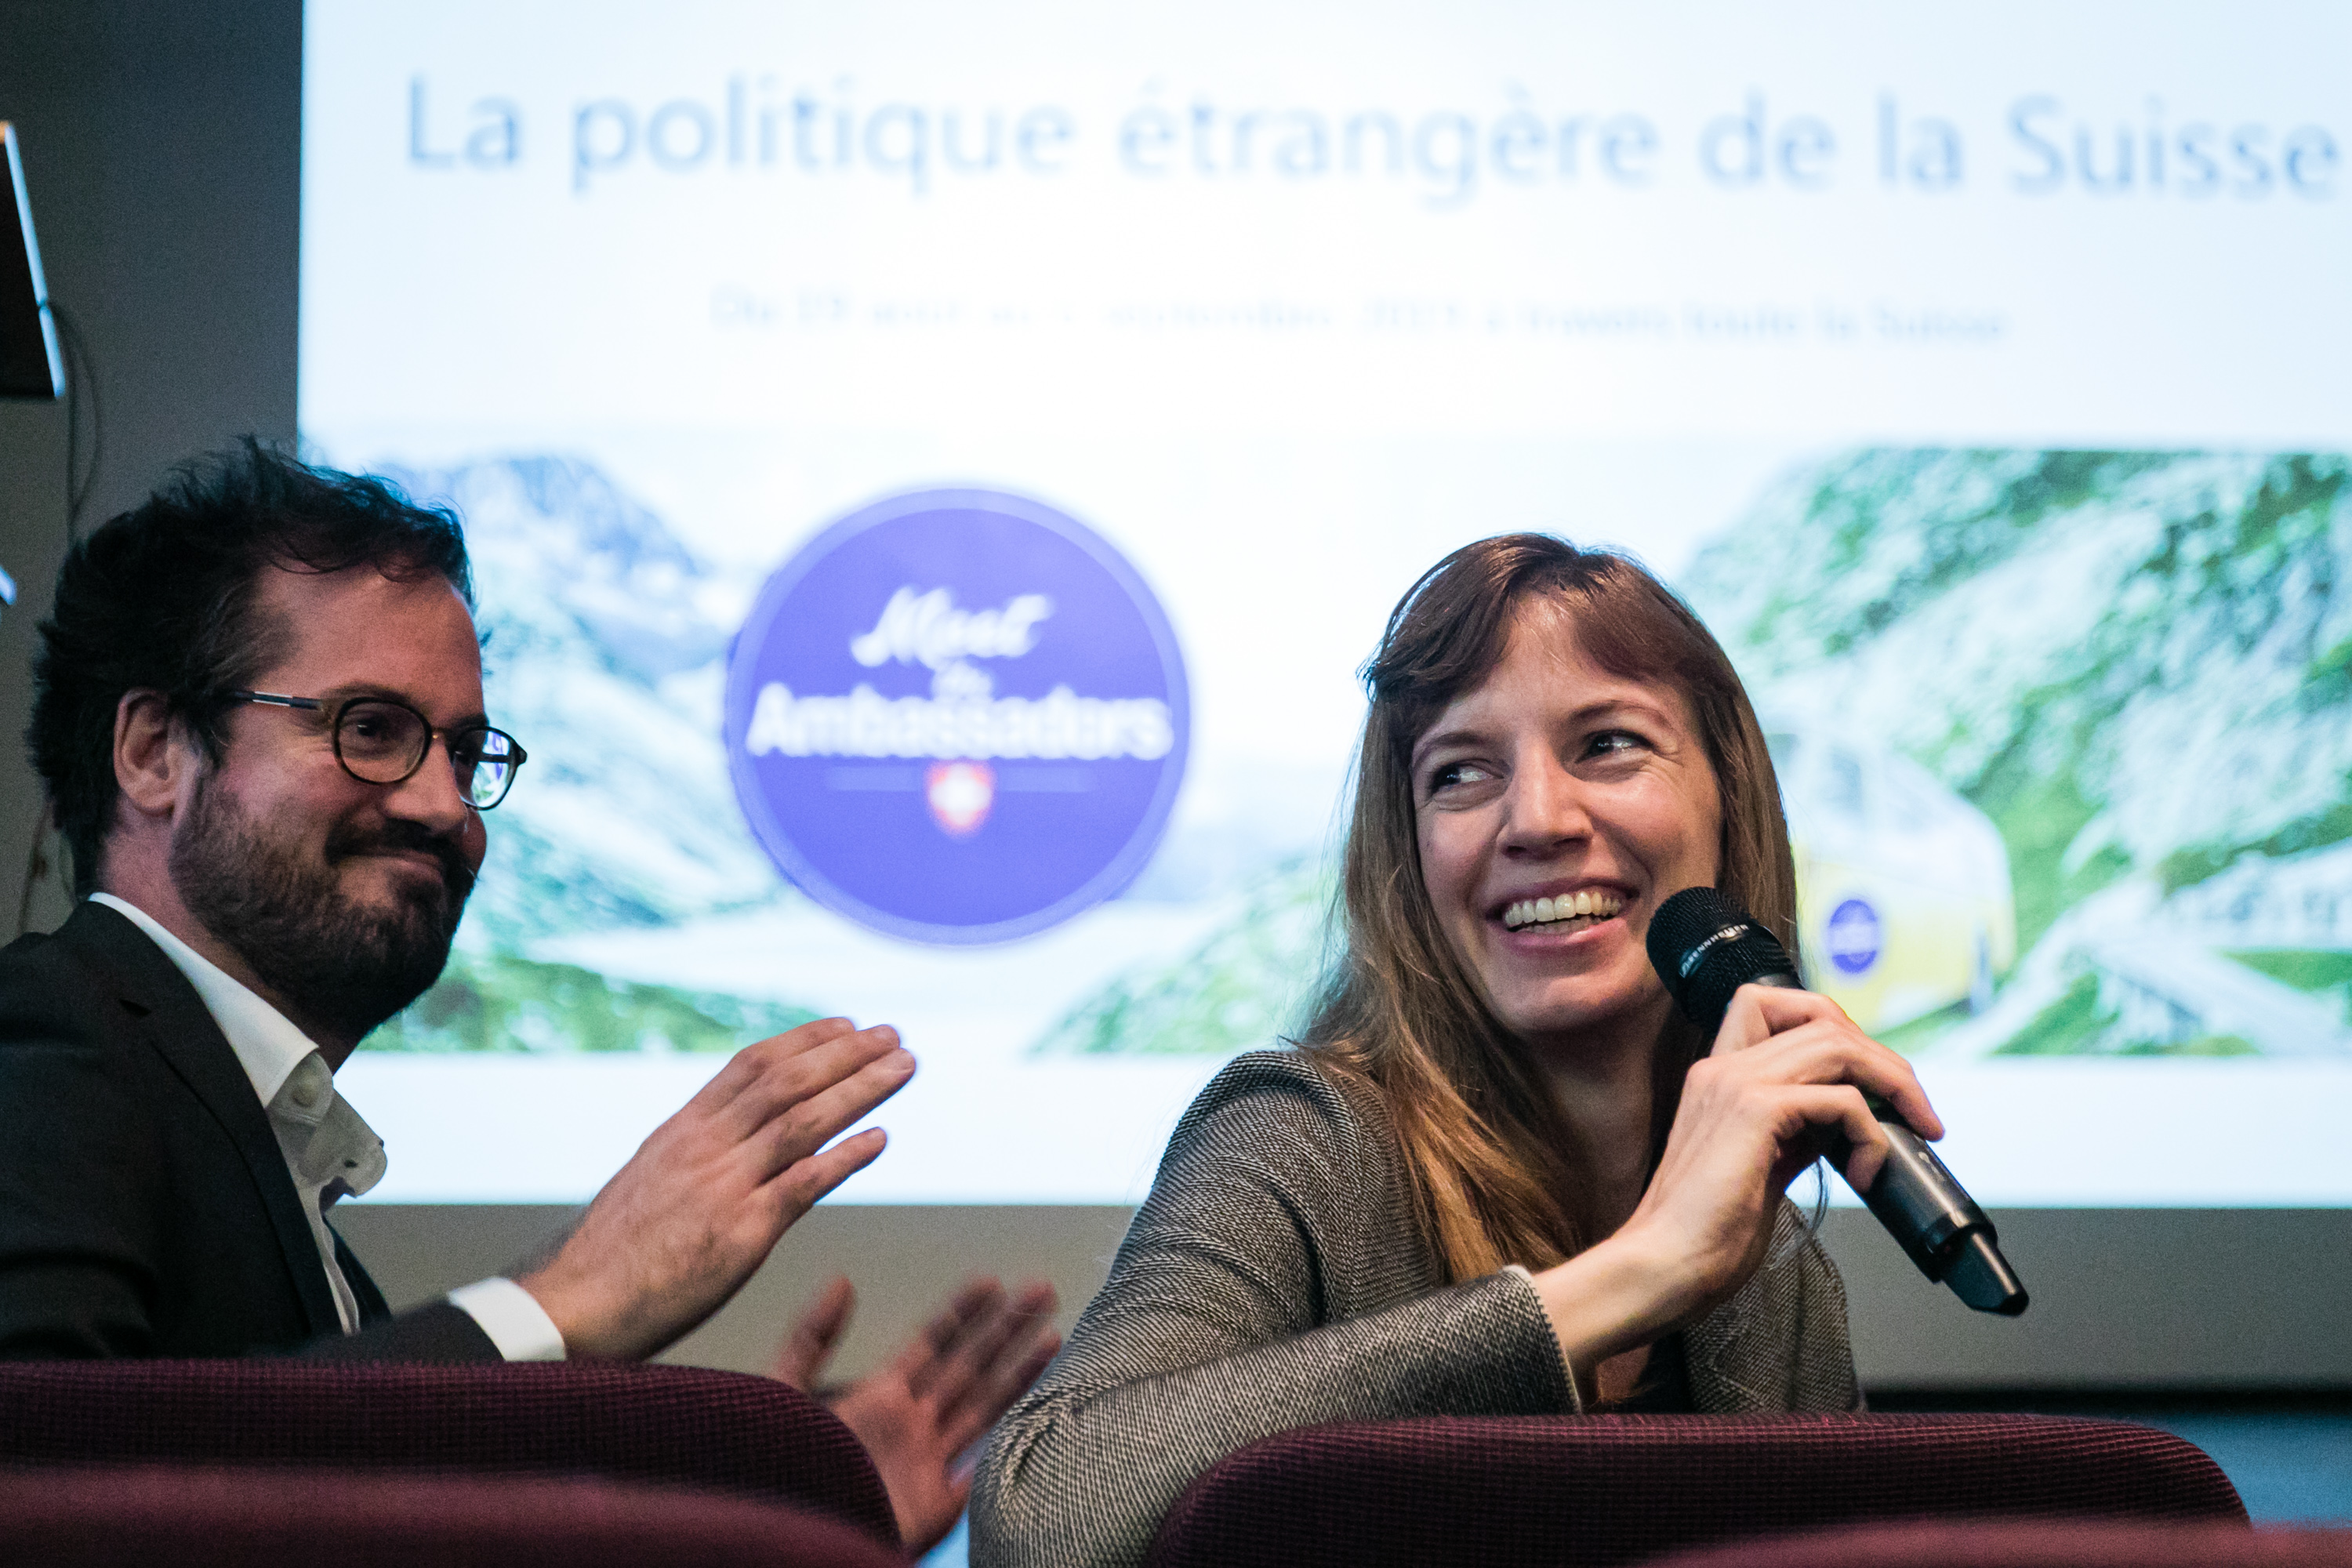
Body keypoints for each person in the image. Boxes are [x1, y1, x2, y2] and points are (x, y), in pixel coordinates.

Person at [0, 443, 1055, 1552]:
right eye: (372, 732)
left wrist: (758, 1520)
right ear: (155, 751)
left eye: (466, 753)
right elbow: (48, 1482)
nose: (444, 806)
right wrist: (560, 1304)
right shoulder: (46, 1042)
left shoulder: (262, 1164)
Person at [970, 534, 1945, 1567]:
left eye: (1609, 744)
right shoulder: (1304, 1140)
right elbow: (1042, 1518)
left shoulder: (1775, 1276)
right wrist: (1635, 1275)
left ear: (1729, 800)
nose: (1535, 820)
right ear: (1409, 854)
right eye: (1462, 772)